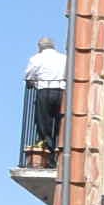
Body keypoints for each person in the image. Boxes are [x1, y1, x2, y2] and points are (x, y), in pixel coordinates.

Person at [21, 35, 67, 163]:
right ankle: (58, 147)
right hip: (60, 92)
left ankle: (47, 149)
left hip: (44, 92)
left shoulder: (36, 58)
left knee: (43, 122)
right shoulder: (64, 58)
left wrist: (32, 83)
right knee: (59, 122)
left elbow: (29, 76)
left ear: (40, 47)